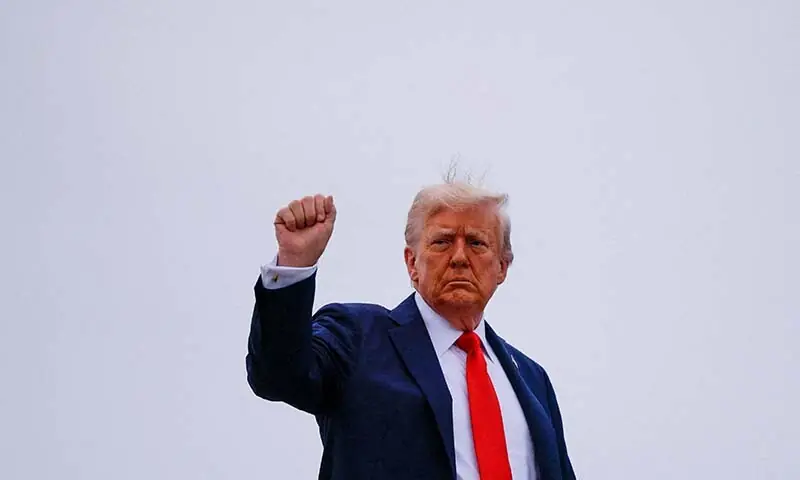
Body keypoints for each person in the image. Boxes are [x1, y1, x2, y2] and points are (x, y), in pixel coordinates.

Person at [246, 175, 576, 480]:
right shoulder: (358, 337)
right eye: (443, 242)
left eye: (476, 243)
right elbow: (278, 376)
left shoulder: (533, 380)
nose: (459, 257)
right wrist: (294, 265)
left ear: (502, 266)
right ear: (411, 262)